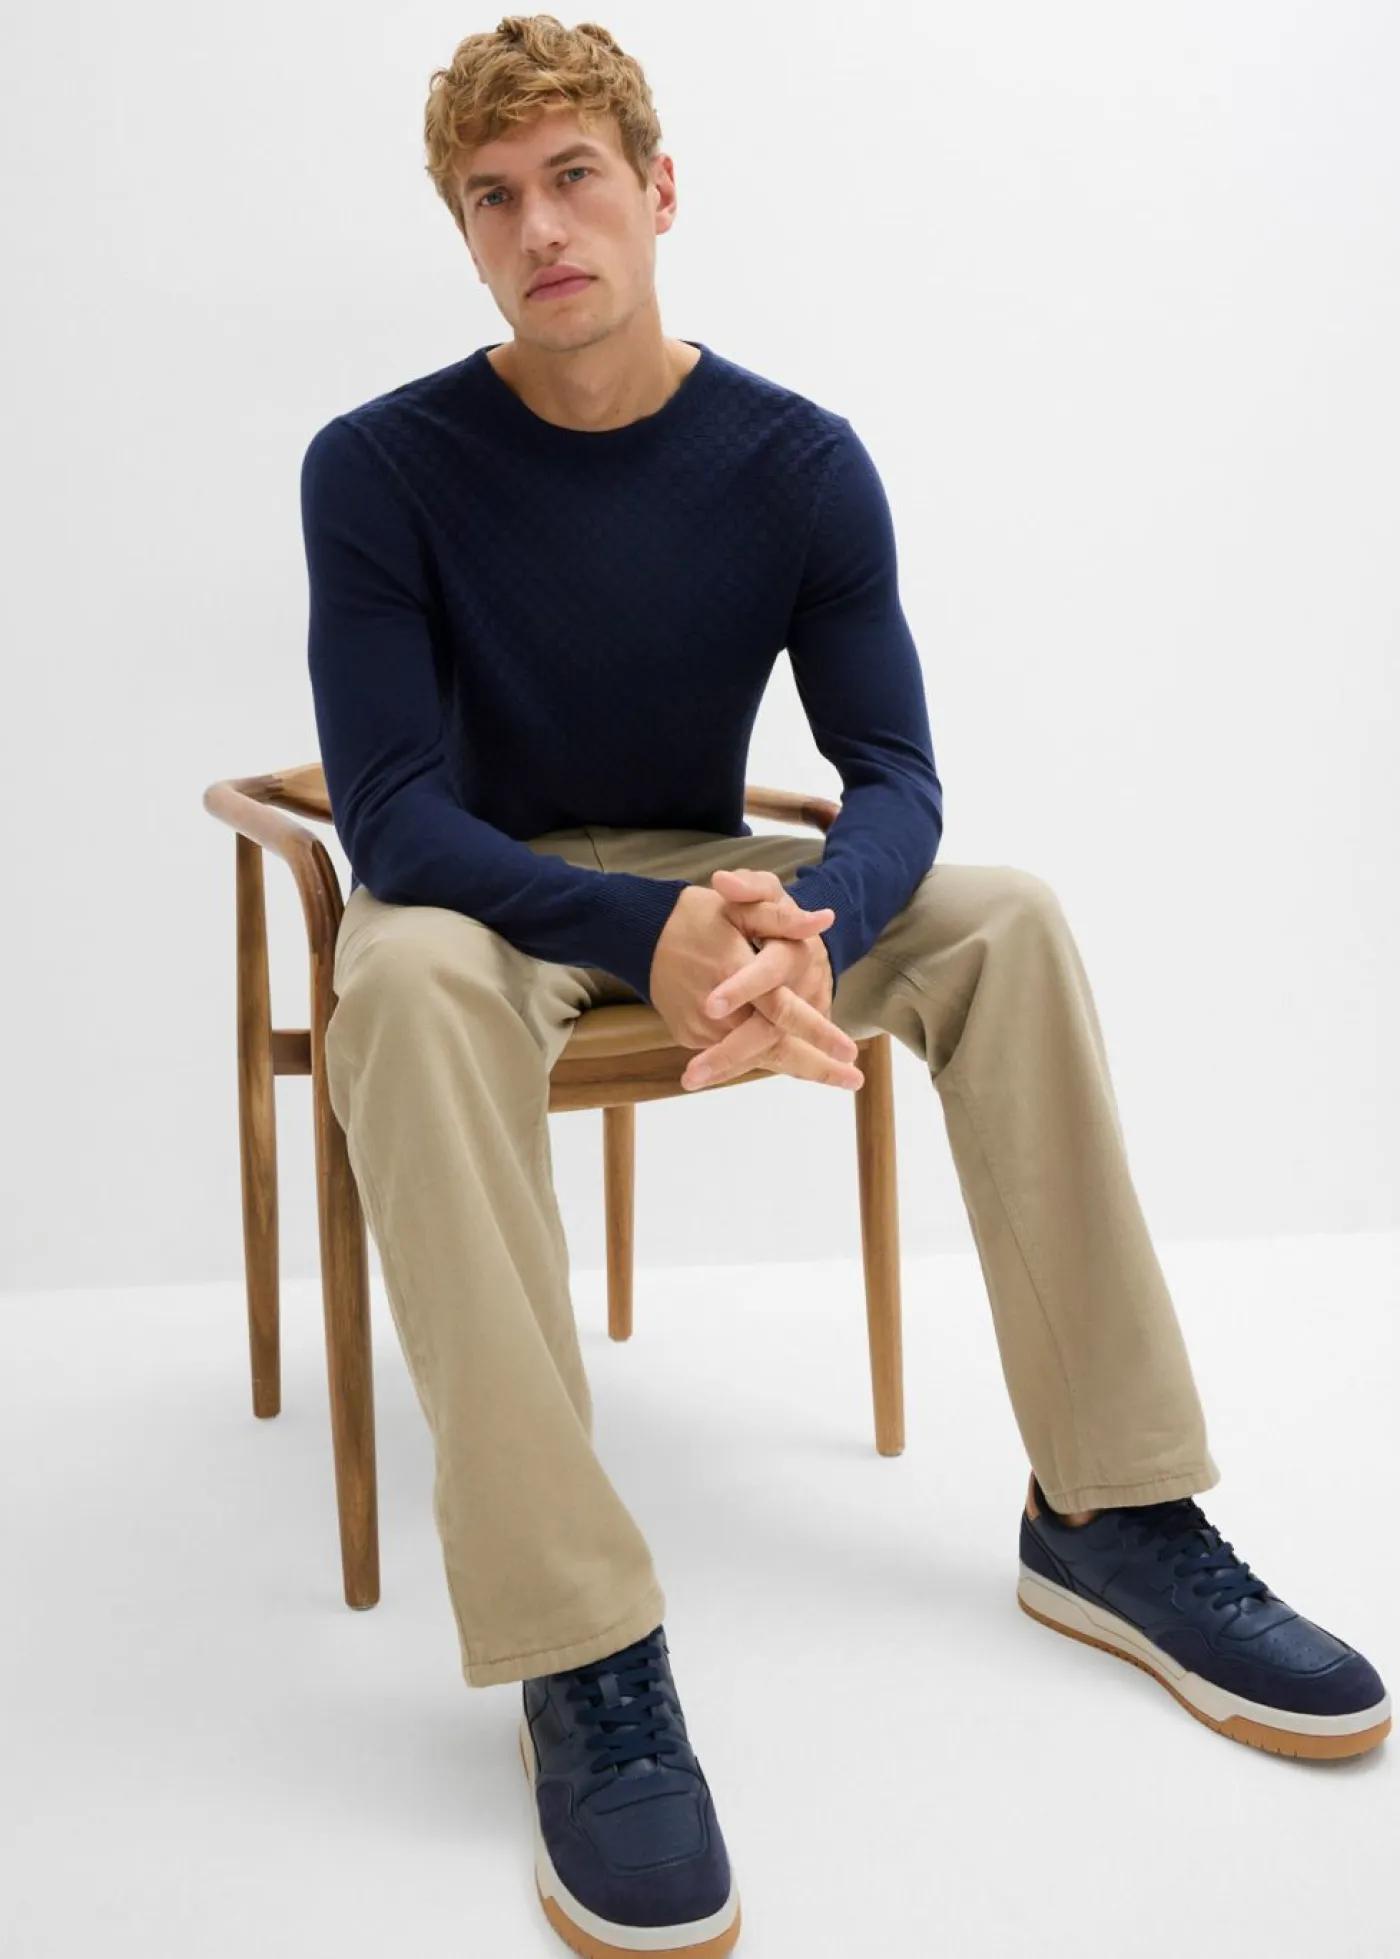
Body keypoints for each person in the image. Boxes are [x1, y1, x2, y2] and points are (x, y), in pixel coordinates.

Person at [299, 16, 1391, 1957]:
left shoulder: (796, 464)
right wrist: (640, 934)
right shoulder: (377, 466)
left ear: (659, 191)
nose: (539, 226)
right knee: (398, 990)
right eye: (493, 197)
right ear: (462, 234)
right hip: (481, 896)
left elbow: (892, 775)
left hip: (714, 872)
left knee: (1003, 917)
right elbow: (386, 816)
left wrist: (801, 921)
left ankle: (1112, 1514)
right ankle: (582, 1645)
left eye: (574, 177)